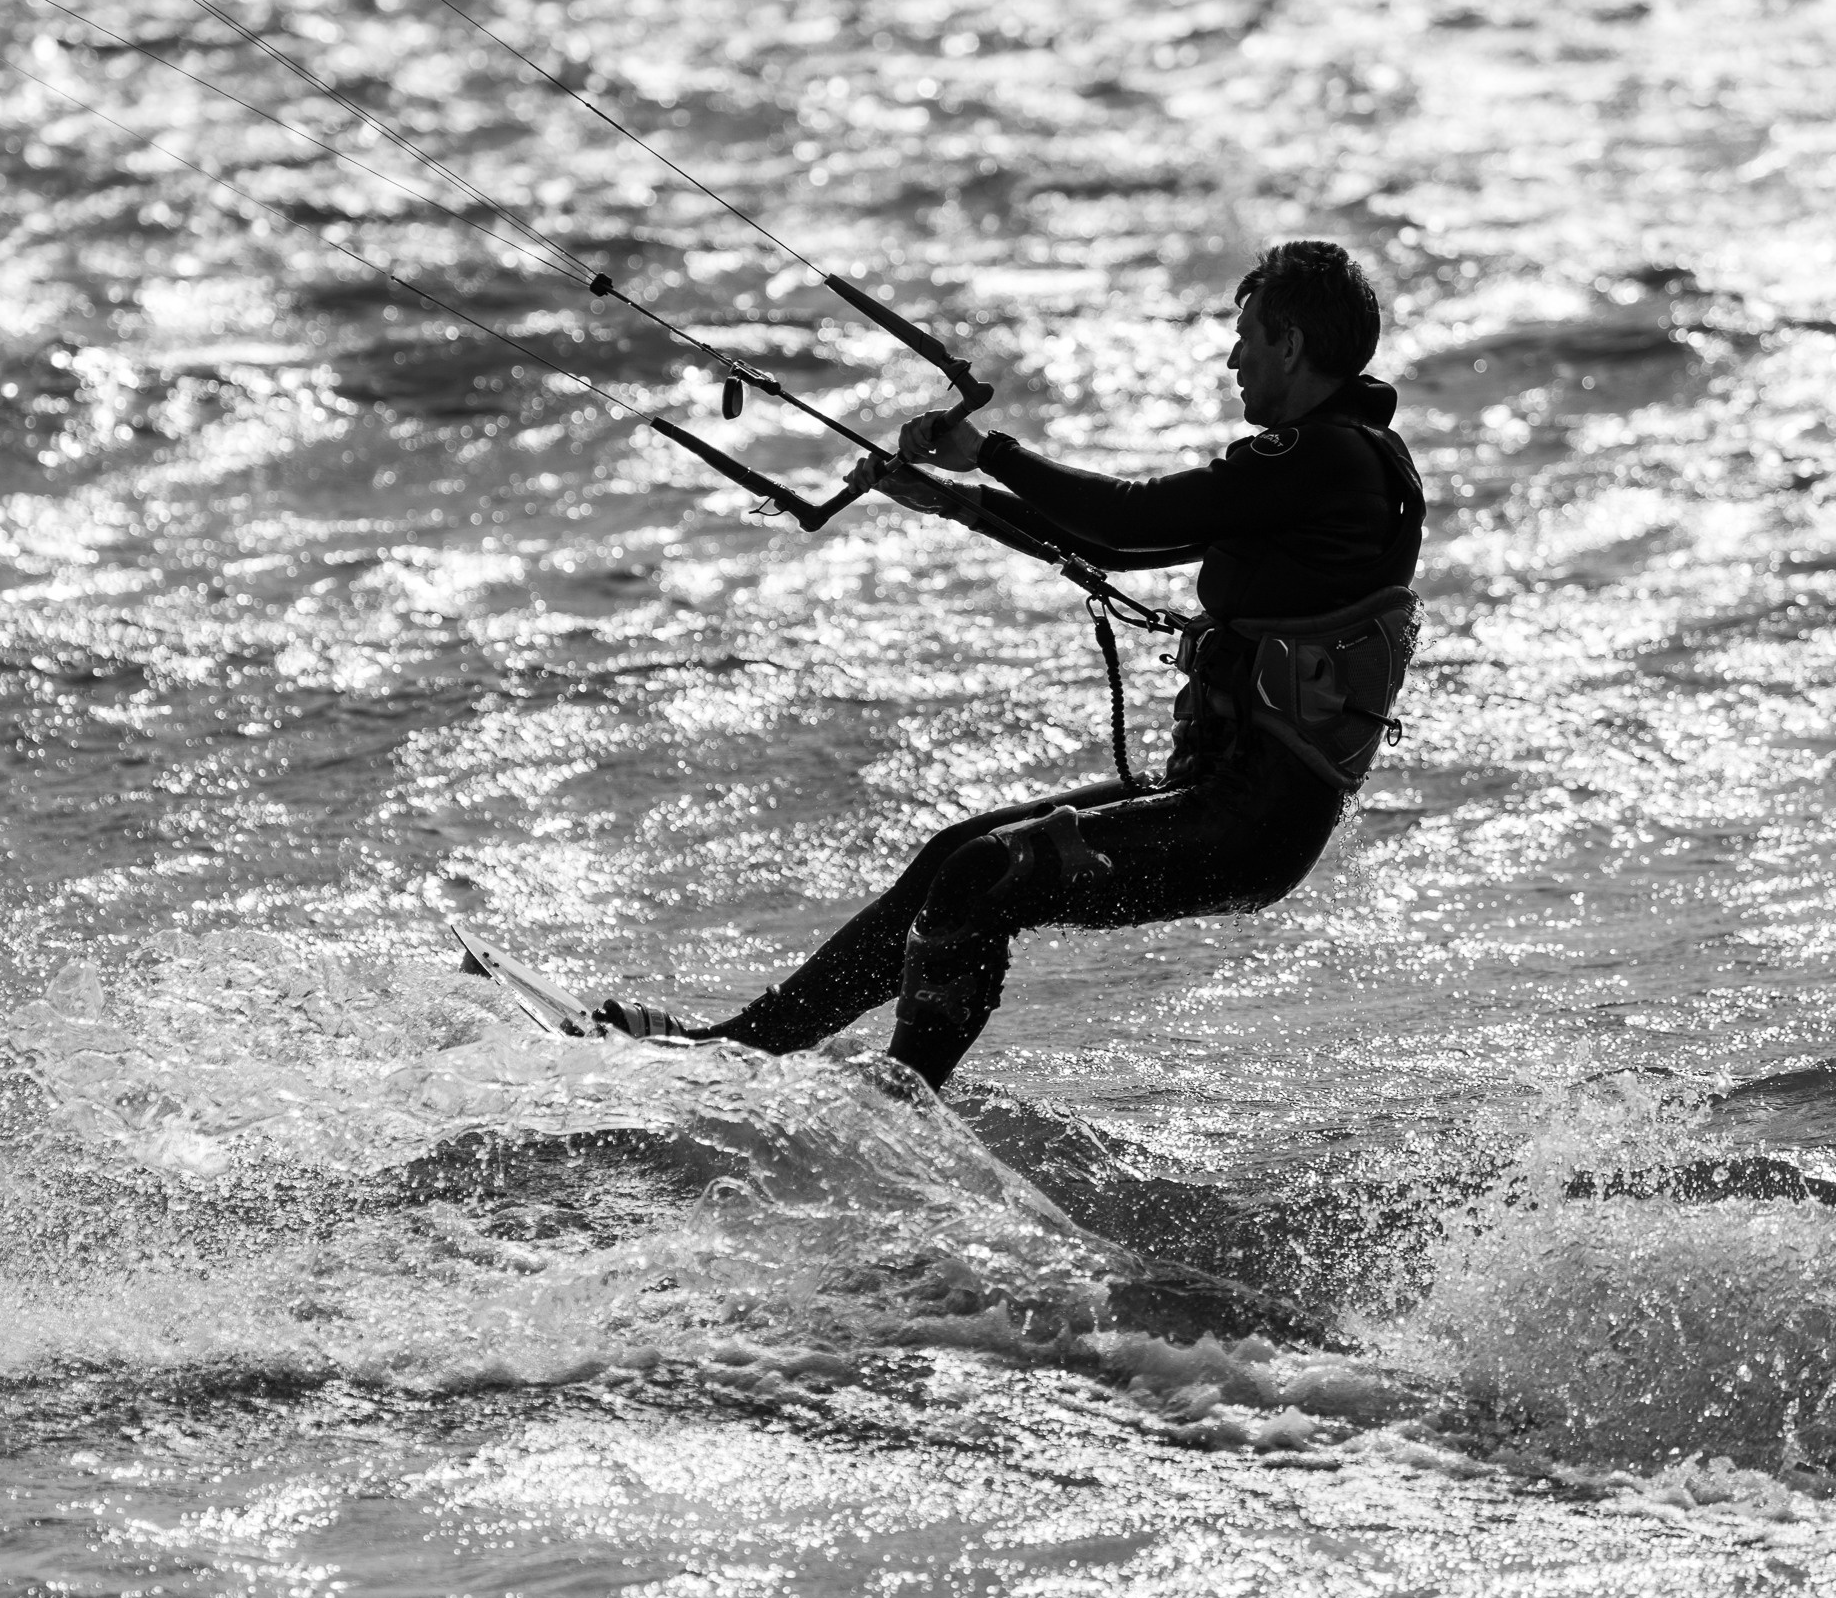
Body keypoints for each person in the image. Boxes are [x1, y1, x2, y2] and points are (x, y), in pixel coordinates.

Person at [599, 239, 1427, 1089]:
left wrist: (989, 452)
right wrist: (960, 501)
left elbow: (1129, 520)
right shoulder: (1340, 461)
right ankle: (743, 1051)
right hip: (1224, 799)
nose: (1232, 359)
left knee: (982, 878)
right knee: (952, 853)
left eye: (1247, 337)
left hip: (1248, 818)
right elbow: (1131, 545)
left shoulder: (1321, 457)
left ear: (1290, 343)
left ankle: (896, 1119)